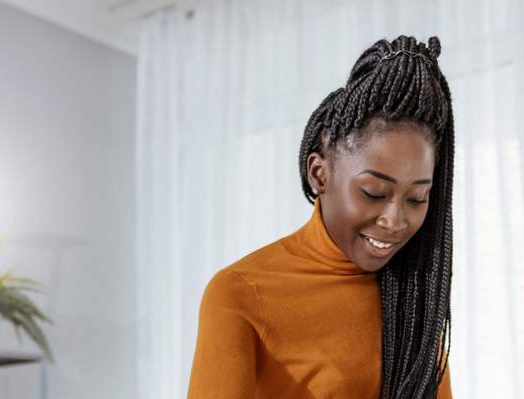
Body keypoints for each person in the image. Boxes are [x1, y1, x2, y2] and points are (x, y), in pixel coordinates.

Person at [187, 35, 455, 399]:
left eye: (417, 198)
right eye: (373, 193)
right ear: (319, 173)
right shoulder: (240, 295)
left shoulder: (412, 294)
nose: (394, 220)